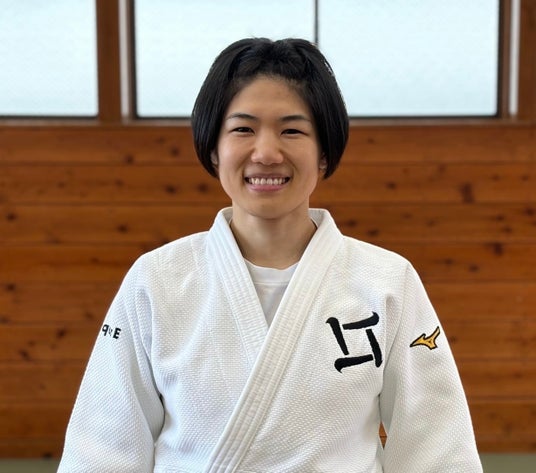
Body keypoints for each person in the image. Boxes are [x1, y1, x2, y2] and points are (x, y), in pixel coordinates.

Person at [58, 38, 482, 472]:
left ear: (323, 154)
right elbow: (103, 448)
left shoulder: (387, 282)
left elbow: (438, 448)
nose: (265, 153)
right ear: (213, 148)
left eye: (291, 131)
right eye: (243, 129)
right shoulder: (157, 280)